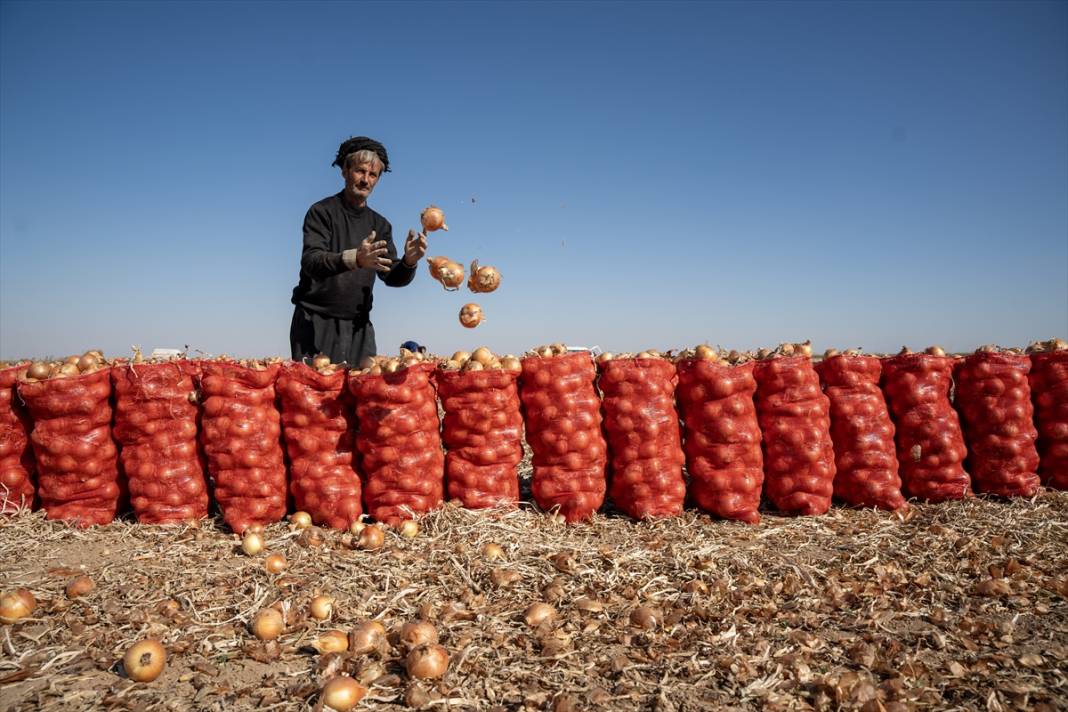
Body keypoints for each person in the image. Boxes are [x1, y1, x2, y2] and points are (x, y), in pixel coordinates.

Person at [290, 137, 428, 365]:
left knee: (364, 392)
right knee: (315, 397)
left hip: (359, 327)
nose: (365, 180)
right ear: (345, 171)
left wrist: (409, 262)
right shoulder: (322, 212)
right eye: (360, 171)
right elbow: (311, 261)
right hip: (315, 321)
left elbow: (391, 276)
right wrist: (355, 258)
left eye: (373, 175)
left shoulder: (380, 225)